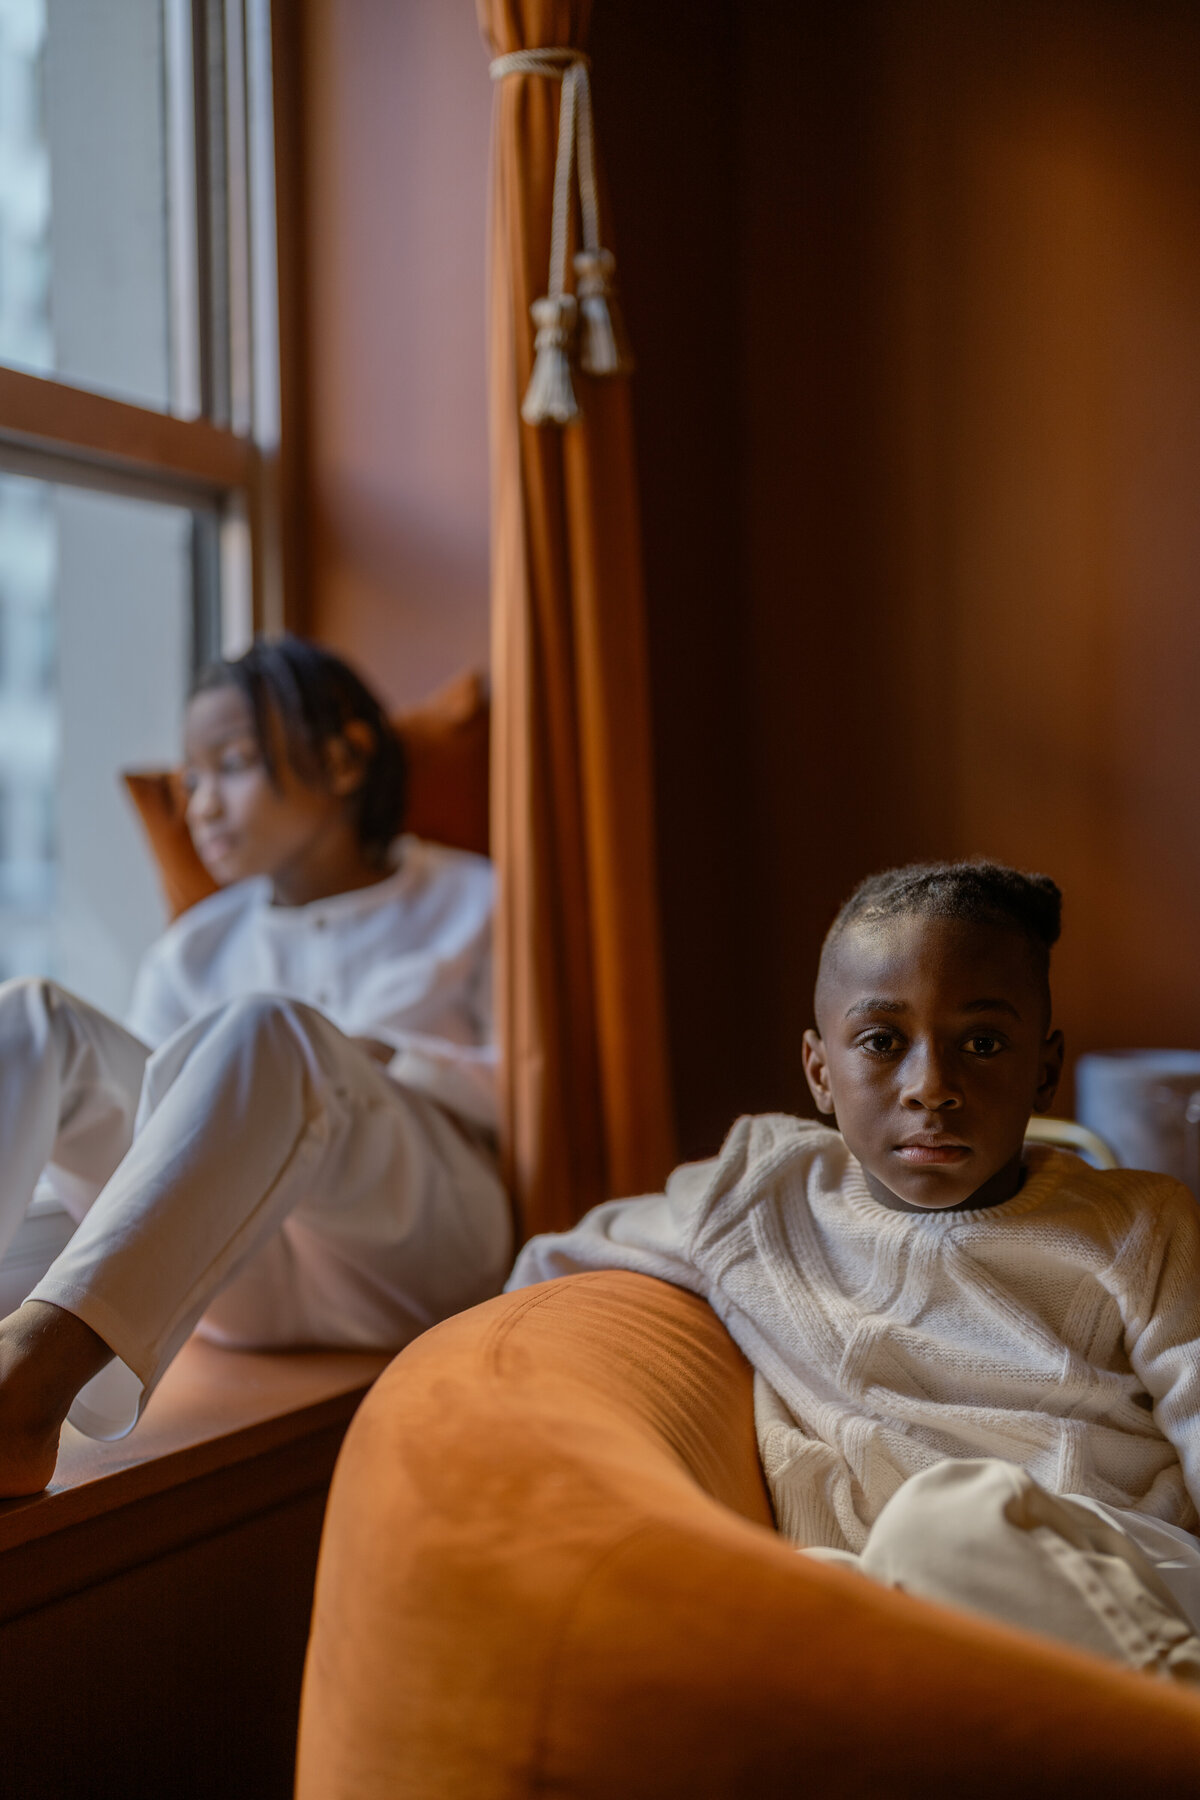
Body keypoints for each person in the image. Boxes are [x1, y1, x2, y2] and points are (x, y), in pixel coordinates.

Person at [508, 861, 1200, 1682]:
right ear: (819, 1071)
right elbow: (547, 1269)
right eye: (881, 1042)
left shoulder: (1139, 1222)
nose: (931, 1087)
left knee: (946, 1519)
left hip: (1128, 1576)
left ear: (1043, 1069)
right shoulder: (753, 1194)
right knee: (785, 1592)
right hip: (905, 1613)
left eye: (982, 1043)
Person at [0, 635, 511, 1497]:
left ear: (345, 759)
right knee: (32, 1014)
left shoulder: (472, 900)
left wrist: (387, 1059)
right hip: (230, 1284)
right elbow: (152, 1136)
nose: (200, 804)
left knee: (268, 1029)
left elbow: (533, 1093)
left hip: (412, 1255)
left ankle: (29, 1384)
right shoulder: (195, 947)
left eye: (231, 765)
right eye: (191, 780)